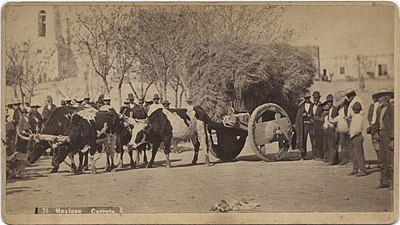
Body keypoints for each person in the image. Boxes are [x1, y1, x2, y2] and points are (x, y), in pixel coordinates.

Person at [375, 90, 394, 189]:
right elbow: (378, 122)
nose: (379, 99)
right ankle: (384, 181)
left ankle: (392, 182)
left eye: (381, 97)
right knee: (382, 159)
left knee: (390, 159)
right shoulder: (379, 109)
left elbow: (395, 124)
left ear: (386, 98)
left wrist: (392, 139)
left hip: (388, 135)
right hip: (381, 133)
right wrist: (376, 132)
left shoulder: (392, 109)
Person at [348, 102, 367, 177]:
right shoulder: (355, 116)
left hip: (357, 136)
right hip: (354, 136)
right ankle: (355, 168)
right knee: (354, 154)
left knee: (359, 154)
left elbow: (358, 129)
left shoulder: (359, 117)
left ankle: (362, 170)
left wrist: (352, 134)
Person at [295, 90, 314, 160]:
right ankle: (303, 155)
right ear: (304, 98)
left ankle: (315, 155)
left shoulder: (313, 105)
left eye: (308, 98)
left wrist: (311, 115)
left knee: (313, 139)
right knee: (303, 139)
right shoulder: (301, 106)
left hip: (311, 125)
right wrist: (302, 115)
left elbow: (315, 114)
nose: (307, 99)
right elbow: (298, 116)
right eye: (306, 98)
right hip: (304, 125)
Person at [367, 93, 381, 166]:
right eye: (373, 97)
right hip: (373, 127)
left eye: (375, 97)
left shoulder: (380, 105)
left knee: (380, 146)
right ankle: (379, 161)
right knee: (375, 145)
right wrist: (370, 124)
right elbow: (369, 115)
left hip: (378, 127)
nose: (374, 98)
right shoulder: (372, 106)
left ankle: (381, 162)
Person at [322, 94, 335, 164]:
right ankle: (326, 158)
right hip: (325, 129)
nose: (329, 103)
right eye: (328, 102)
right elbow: (321, 121)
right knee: (325, 145)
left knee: (331, 145)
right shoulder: (324, 114)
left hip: (330, 129)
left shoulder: (333, 110)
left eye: (330, 102)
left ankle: (332, 160)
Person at [312, 91, 324, 160]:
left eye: (317, 98)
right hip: (313, 124)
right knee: (314, 140)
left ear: (319, 98)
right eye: (314, 98)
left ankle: (321, 155)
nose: (315, 99)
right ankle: (315, 155)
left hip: (319, 125)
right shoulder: (312, 105)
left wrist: (318, 118)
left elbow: (323, 115)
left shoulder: (321, 106)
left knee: (320, 140)